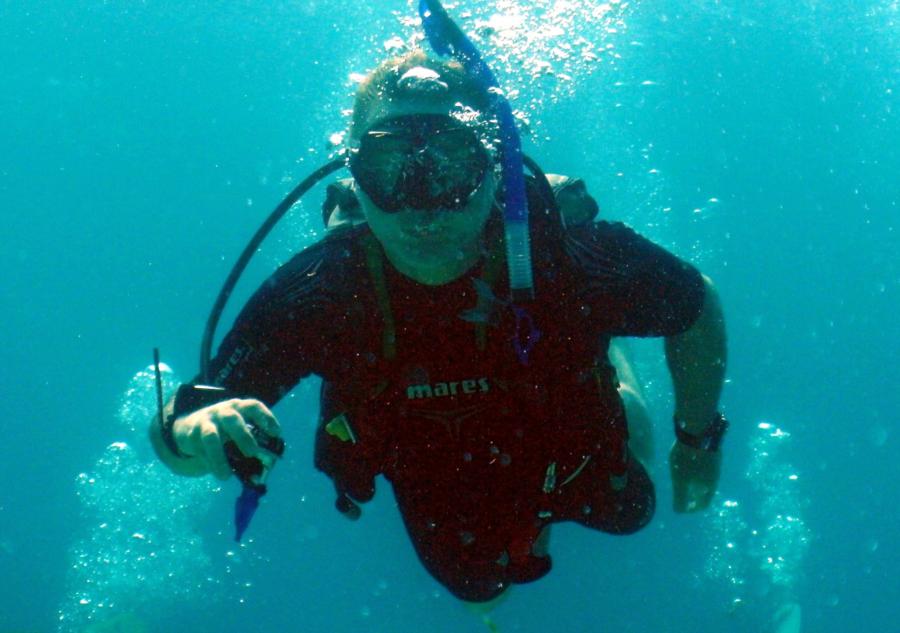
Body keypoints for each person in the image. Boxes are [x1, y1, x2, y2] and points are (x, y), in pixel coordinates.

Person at [149, 49, 727, 603]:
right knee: (476, 586)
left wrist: (697, 438)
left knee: (631, 514)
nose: (420, 205)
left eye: (449, 164)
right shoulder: (325, 289)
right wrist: (195, 434)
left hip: (570, 429)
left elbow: (695, 306)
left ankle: (614, 359)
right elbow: (184, 422)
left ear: (494, 170)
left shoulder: (562, 254)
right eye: (389, 169)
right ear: (354, 177)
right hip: (435, 472)